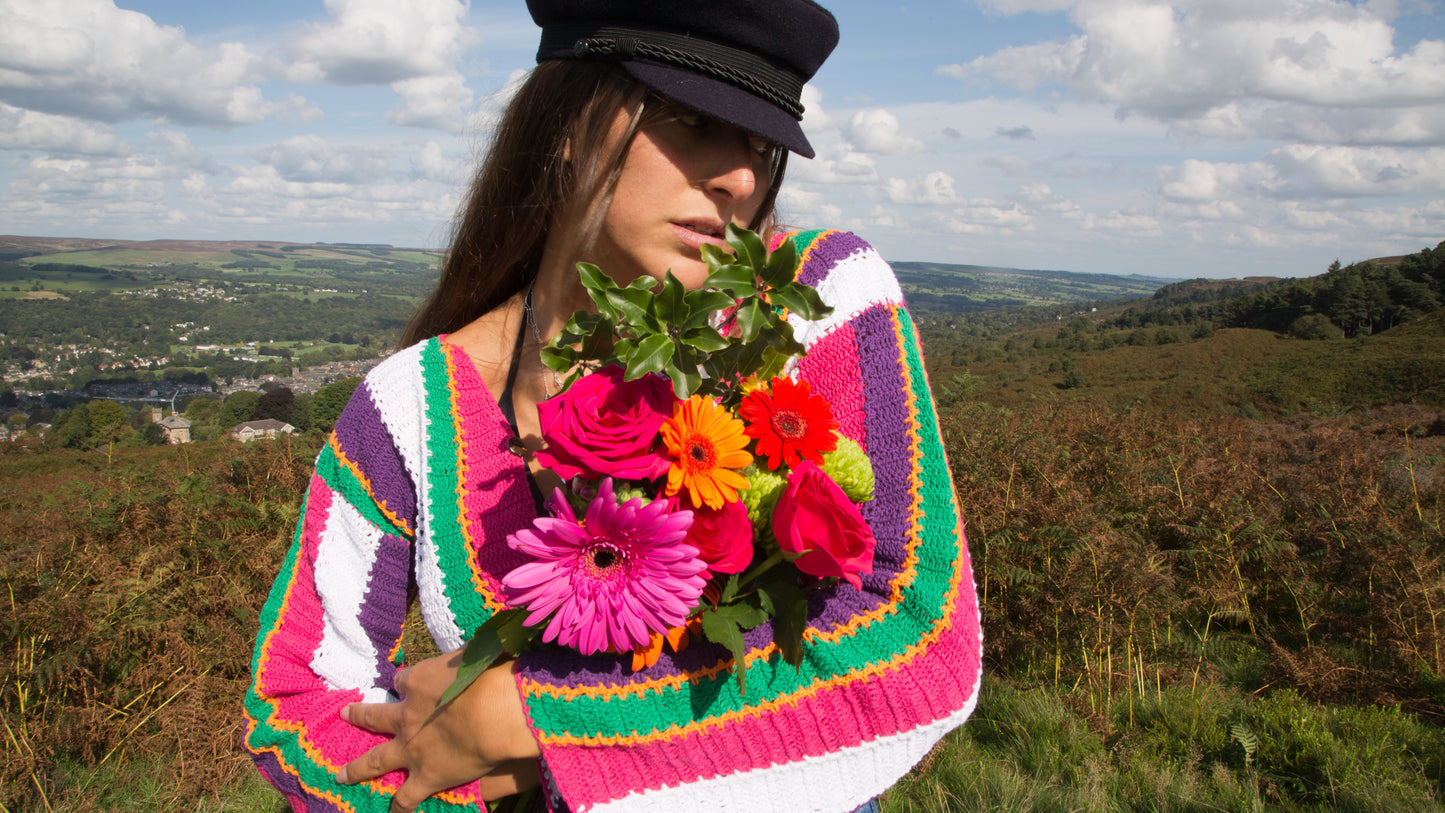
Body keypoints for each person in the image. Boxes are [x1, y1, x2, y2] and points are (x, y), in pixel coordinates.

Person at [242, 1, 983, 811]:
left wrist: (539, 716)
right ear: (569, 121)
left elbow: (918, 632)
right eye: (691, 119)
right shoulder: (411, 405)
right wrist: (454, 778)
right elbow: (300, 695)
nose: (739, 176)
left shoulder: (812, 298)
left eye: (761, 145)